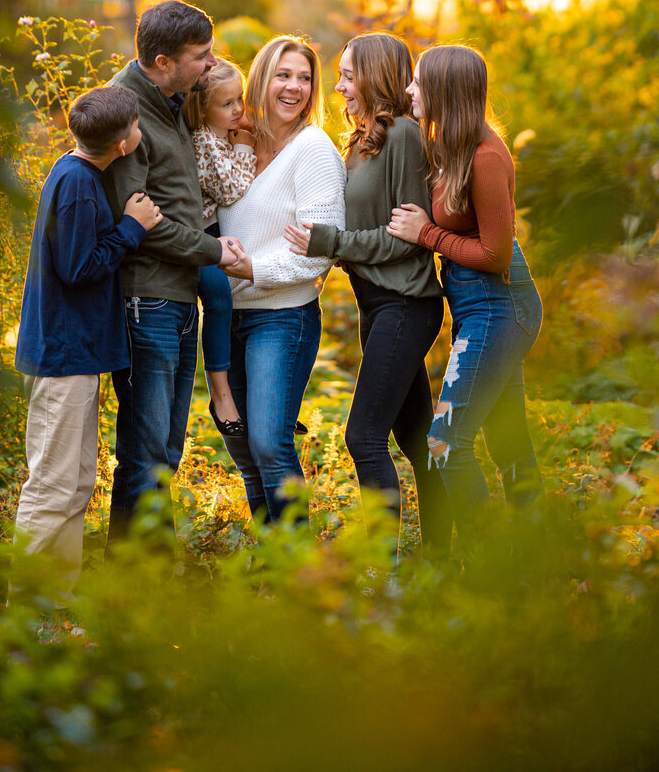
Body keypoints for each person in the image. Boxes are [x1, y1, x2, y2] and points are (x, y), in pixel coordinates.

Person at [285, 32, 450, 557]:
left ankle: (383, 564)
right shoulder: (359, 144)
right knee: (418, 442)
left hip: (406, 302)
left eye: (349, 75)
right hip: (376, 303)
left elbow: (404, 240)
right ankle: (450, 557)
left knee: (363, 437)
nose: (339, 87)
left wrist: (330, 243)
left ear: (377, 76)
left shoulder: (403, 134)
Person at [104, 1, 246, 541]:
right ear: (163, 61)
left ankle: (150, 567)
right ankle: (133, 577)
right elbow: (139, 220)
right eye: (201, 56)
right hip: (148, 302)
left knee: (166, 445)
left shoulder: (172, 97)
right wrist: (214, 251)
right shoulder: (127, 113)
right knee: (144, 451)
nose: (212, 64)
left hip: (179, 299)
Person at [388, 44, 542, 540]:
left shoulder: (485, 158)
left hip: (501, 305)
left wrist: (426, 235)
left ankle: (487, 569)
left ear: (445, 92)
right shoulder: (450, 147)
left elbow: (496, 255)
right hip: (477, 306)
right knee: (508, 441)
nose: (410, 90)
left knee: (445, 444)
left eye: (418, 83)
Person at [13, 84, 161, 596]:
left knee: (75, 484)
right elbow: (78, 268)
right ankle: (29, 612)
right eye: (137, 126)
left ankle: (54, 601)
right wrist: (131, 228)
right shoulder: (76, 183)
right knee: (52, 486)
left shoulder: (78, 172)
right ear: (123, 144)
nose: (139, 133)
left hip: (77, 355)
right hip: (62, 355)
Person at [214, 36, 346, 524]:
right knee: (242, 444)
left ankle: (296, 564)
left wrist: (254, 268)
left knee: (270, 442)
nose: (294, 87)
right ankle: (273, 560)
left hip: (281, 317)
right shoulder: (236, 144)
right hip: (228, 316)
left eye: (305, 78)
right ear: (261, 79)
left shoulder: (312, 149)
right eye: (283, 75)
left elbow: (320, 251)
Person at [183, 58, 257, 436]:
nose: (238, 110)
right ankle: (220, 392)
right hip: (200, 235)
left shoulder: (217, 135)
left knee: (230, 306)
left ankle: (253, 398)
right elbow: (231, 191)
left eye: (239, 99)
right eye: (227, 104)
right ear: (202, 108)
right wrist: (245, 146)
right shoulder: (204, 141)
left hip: (213, 231)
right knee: (218, 300)